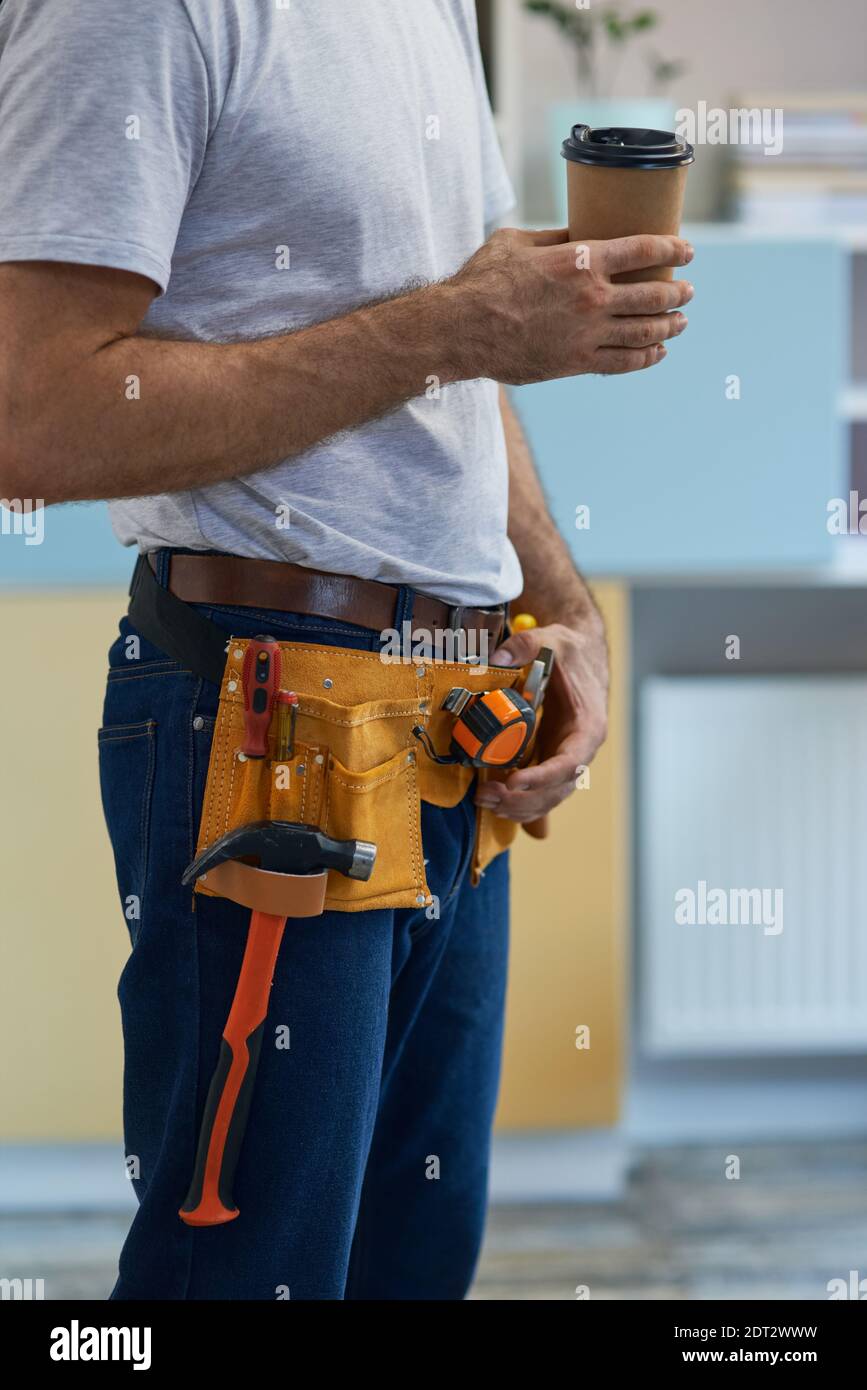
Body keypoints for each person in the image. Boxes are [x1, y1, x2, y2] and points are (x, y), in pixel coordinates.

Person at [0, 0, 692, 1300]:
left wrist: (561, 606)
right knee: (250, 1268)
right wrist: (453, 328)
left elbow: (468, 321)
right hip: (264, 723)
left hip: (448, 724)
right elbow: (32, 412)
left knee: (411, 1260)